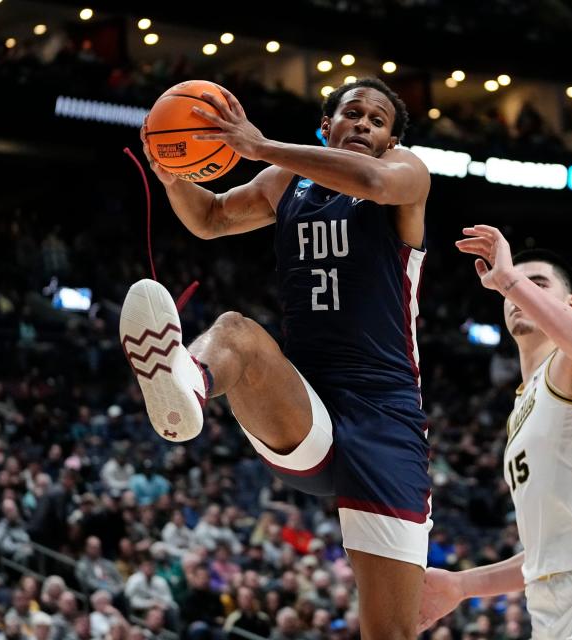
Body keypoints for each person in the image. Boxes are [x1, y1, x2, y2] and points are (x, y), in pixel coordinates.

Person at [124, 77, 431, 639]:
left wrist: (259, 145)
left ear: (390, 140)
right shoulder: (285, 181)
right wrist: (173, 176)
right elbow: (212, 218)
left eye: (378, 120)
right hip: (304, 404)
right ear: (326, 125)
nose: (363, 123)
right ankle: (187, 384)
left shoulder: (405, 172)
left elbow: (369, 180)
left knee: (391, 634)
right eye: (352, 112)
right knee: (236, 332)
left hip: (386, 421)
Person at [418, 227, 572, 639]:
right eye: (515, 284)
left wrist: (510, 280)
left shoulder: (569, 366)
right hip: (549, 607)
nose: (517, 291)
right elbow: (547, 554)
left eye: (538, 284)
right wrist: (462, 586)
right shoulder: (519, 410)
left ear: (570, 305)